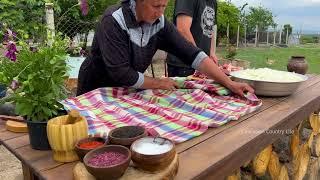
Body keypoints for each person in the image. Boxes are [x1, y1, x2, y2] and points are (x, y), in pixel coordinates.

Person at [76, 0, 253, 97]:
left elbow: (192, 53)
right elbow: (121, 72)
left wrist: (229, 82)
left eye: (164, 6)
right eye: (155, 6)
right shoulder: (113, 20)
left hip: (126, 91)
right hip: (96, 89)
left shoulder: (159, 24)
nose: (160, 12)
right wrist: (158, 82)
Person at [166, 0, 218, 77]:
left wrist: (212, 53)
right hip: (183, 65)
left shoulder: (213, 2)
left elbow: (211, 29)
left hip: (202, 64)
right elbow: (183, 29)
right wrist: (200, 60)